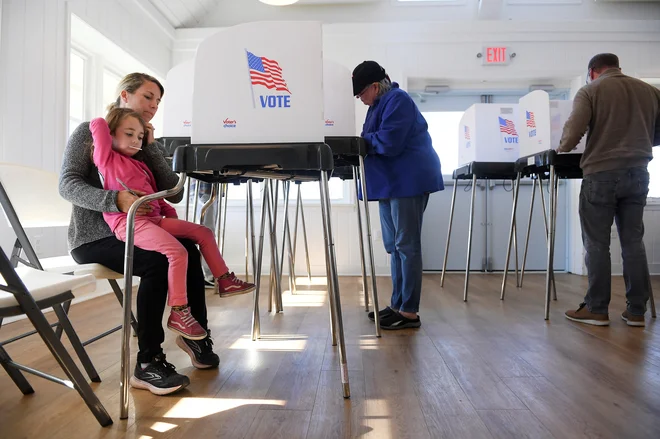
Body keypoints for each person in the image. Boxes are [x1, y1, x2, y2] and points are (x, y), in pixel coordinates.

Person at [60, 73, 215, 396]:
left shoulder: (141, 142)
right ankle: (148, 363)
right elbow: (68, 184)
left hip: (141, 230)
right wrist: (115, 200)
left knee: (189, 244)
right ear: (124, 95)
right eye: (148, 97)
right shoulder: (89, 133)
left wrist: (152, 146)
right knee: (159, 261)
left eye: (158, 101)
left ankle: (194, 333)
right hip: (95, 238)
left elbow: (173, 193)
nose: (154, 105)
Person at [89, 108, 254, 341]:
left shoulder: (140, 164)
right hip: (129, 223)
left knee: (203, 232)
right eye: (129, 134)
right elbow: (96, 123)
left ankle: (224, 279)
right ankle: (178, 311)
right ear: (111, 134)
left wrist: (171, 218)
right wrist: (112, 116)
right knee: (177, 252)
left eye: (139, 136)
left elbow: (159, 197)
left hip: (154, 220)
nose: (136, 140)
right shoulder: (106, 159)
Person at [559, 53, 660, 327]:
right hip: (639, 172)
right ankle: (636, 310)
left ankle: (597, 308)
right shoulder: (650, 91)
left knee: (597, 243)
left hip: (601, 174)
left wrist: (561, 149)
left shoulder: (591, 90)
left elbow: (573, 132)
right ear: (618, 67)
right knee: (632, 241)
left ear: (592, 71)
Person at [352, 61, 444, 330]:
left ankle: (409, 312)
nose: (361, 100)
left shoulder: (398, 99)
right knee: (393, 246)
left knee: (407, 245)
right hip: (390, 184)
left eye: (361, 94)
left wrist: (365, 143)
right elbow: (368, 138)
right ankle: (397, 304)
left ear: (373, 86)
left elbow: (389, 142)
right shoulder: (377, 106)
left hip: (408, 181)